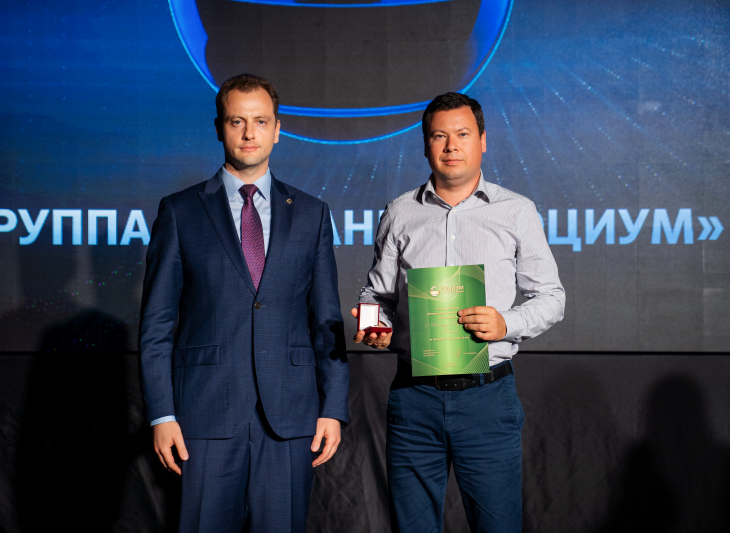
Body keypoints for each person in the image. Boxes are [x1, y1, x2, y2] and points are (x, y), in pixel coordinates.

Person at [139, 73, 348, 533]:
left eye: (261, 121)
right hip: (203, 416)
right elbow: (157, 324)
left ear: (278, 129)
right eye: (237, 121)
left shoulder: (312, 213)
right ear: (219, 128)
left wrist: (333, 406)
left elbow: (327, 320)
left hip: (290, 417)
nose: (249, 133)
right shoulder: (180, 211)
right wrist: (162, 413)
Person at [354, 92, 565, 531]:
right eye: (439, 136)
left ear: (482, 140)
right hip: (414, 398)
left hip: (487, 397)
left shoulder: (516, 211)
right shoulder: (400, 212)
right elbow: (377, 295)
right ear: (425, 145)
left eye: (463, 134)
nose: (451, 146)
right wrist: (375, 325)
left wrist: (506, 322)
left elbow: (551, 298)